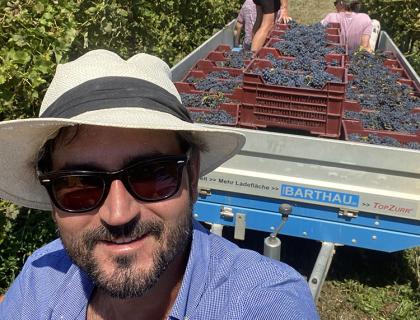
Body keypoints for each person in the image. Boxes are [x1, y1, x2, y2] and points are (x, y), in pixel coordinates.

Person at [0, 49, 319, 320]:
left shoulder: (264, 304)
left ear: (192, 176)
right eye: (80, 185)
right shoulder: (39, 283)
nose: (118, 214)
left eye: (151, 175)